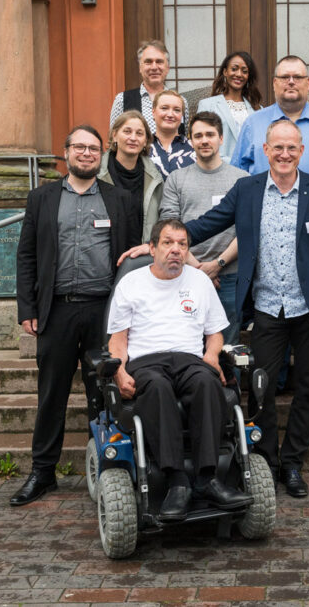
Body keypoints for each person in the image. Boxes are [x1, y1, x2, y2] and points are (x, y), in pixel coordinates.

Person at [186, 119, 309, 498]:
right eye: (277, 147)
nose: (284, 154)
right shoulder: (247, 190)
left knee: (308, 388)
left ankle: (293, 463)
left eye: (292, 147)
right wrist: (164, 239)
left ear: (302, 151)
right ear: (265, 150)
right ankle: (266, 461)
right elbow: (208, 223)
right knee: (261, 388)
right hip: (265, 308)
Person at [10, 125, 140, 506]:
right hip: (58, 310)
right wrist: (27, 309)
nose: (86, 153)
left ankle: (108, 468)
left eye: (94, 148)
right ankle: (43, 472)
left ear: (103, 154)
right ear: (65, 152)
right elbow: (27, 257)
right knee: (52, 394)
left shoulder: (121, 200)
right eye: (79, 147)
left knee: (105, 393)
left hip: (105, 311)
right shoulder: (42, 199)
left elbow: (132, 259)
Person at [107, 219, 253, 520]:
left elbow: (215, 334)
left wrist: (212, 356)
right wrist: (119, 371)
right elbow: (118, 341)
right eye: (168, 243)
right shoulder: (131, 283)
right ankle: (176, 482)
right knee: (158, 388)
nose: (176, 250)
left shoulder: (199, 282)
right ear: (152, 248)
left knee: (207, 382)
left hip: (189, 357)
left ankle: (208, 478)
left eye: (182, 244)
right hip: (147, 360)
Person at [159, 111, 248, 344]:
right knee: (185, 342)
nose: (204, 140)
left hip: (229, 276)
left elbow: (247, 230)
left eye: (210, 134)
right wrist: (198, 269)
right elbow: (169, 230)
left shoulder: (242, 180)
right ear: (190, 141)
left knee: (229, 348)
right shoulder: (176, 179)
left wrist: (217, 265)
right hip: (185, 273)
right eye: (198, 136)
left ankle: (229, 383)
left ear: (221, 138)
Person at [233, 56, 309, 176]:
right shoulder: (253, 123)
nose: (291, 82)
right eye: (284, 77)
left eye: (298, 77)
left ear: (308, 83)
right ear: (274, 83)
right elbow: (236, 173)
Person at [98, 110, 163, 243]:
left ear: (145, 141)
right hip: (105, 254)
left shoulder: (155, 178)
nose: (133, 138)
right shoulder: (97, 173)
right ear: (114, 135)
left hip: (143, 255)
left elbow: (162, 220)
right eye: (127, 131)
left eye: (139, 133)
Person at [109, 39, 189, 135]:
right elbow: (113, 139)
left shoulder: (181, 102)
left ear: (167, 68)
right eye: (148, 62)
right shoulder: (122, 100)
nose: (154, 67)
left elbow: (184, 137)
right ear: (140, 68)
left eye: (159, 62)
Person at [197, 51, 262, 160]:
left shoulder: (258, 109)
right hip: (218, 170)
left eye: (244, 71)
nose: (239, 74)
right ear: (225, 72)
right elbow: (201, 140)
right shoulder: (207, 105)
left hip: (250, 172)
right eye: (234, 69)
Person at [148, 90, 195, 178]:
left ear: (182, 115)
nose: (170, 114)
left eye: (177, 110)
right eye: (164, 108)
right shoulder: (142, 147)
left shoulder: (194, 148)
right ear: (153, 112)